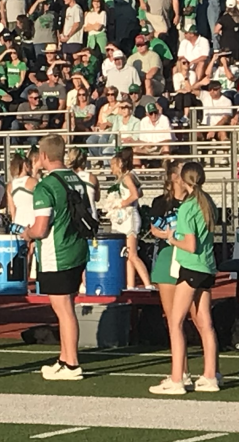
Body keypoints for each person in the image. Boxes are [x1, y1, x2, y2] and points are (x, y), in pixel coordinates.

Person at [21, 133, 91, 380]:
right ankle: (64, 358)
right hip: (77, 247)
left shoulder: (45, 186)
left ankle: (72, 363)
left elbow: (41, 228)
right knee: (66, 306)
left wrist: (26, 234)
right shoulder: (77, 180)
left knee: (63, 309)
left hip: (57, 251)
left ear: (43, 156)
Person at [147, 160, 221, 394]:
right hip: (207, 267)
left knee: (175, 322)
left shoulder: (189, 206)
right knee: (205, 324)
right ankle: (210, 376)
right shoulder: (207, 202)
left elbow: (189, 244)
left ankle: (177, 378)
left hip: (190, 267)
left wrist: (171, 238)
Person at [106, 149, 150, 289]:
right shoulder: (131, 176)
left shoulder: (127, 177)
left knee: (132, 254)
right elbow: (140, 192)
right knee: (128, 254)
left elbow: (135, 194)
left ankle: (147, 283)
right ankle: (130, 284)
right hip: (127, 216)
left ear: (119, 164)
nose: (111, 169)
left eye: (113, 165)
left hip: (129, 216)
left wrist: (121, 203)